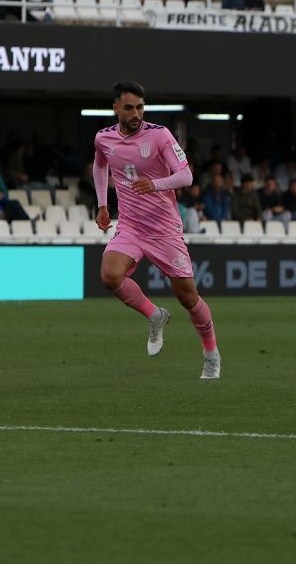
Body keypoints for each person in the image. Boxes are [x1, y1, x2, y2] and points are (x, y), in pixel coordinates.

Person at [94, 82, 221, 379]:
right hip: (130, 226)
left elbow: (186, 176)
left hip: (164, 229)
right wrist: (102, 204)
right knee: (109, 276)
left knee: (188, 297)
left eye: (139, 106)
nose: (136, 113)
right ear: (116, 108)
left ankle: (211, 353)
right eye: (129, 107)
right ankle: (155, 315)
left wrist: (155, 184)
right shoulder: (103, 138)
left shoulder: (160, 134)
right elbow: (100, 167)